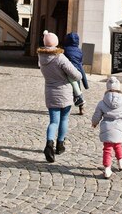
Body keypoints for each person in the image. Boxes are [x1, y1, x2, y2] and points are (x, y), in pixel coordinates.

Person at [38, 30, 83, 163]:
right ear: (56, 43)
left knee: (53, 121)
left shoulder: (41, 56)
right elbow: (76, 75)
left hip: (50, 92)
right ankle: (60, 145)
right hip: (64, 92)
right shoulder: (60, 57)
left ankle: (48, 145)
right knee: (64, 119)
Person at [91, 76, 122, 179]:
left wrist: (94, 123)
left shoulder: (102, 103)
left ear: (107, 88)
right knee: (117, 146)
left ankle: (107, 168)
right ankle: (120, 162)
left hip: (107, 128)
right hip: (119, 128)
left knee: (107, 149)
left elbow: (97, 115)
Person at [63, 32, 89, 114]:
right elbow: (81, 62)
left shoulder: (65, 50)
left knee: (66, 90)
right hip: (77, 71)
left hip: (67, 72)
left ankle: (65, 108)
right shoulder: (79, 51)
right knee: (78, 89)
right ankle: (81, 108)